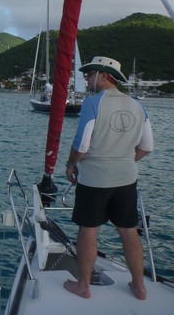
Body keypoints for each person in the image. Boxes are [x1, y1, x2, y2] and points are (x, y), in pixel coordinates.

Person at [63, 56, 153, 300]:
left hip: (94, 180)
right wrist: (123, 160)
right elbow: (147, 147)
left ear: (104, 76)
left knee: (89, 230)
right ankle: (139, 286)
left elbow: (81, 146)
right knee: (128, 231)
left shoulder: (93, 103)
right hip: (126, 180)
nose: (87, 78)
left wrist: (71, 164)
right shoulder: (138, 106)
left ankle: (83, 285)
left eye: (91, 73)